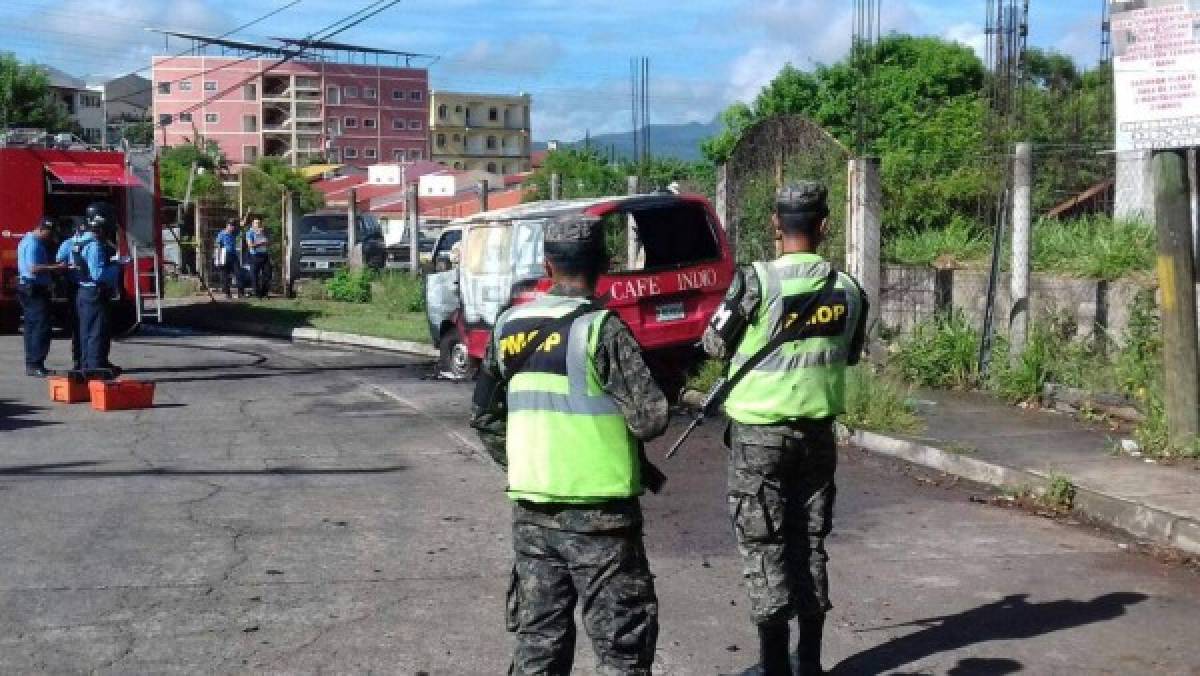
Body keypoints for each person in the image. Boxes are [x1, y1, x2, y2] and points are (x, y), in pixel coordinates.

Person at [471, 213, 670, 675]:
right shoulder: (603, 329)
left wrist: (524, 461)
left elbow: (483, 416)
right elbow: (651, 418)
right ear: (603, 263)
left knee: (538, 645)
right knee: (621, 650)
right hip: (603, 519)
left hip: (533, 512)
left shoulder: (507, 326)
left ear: (547, 265)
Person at [701, 182, 868, 676]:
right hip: (816, 436)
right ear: (824, 226)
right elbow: (851, 353)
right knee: (809, 542)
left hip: (758, 439)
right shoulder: (849, 288)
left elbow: (713, 344)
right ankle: (810, 664)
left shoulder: (755, 283)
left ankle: (774, 666)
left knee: (764, 545)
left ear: (776, 225)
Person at [75, 204, 120, 377]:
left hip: (83, 292)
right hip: (94, 293)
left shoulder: (79, 240)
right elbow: (98, 274)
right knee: (96, 333)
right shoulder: (95, 245)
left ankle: (87, 367)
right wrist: (118, 265)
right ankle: (94, 372)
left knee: (86, 333)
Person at [16, 218, 65, 377]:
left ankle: (32, 363)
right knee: (40, 328)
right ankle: (36, 364)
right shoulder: (34, 244)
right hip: (35, 289)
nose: (50, 238)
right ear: (43, 229)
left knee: (31, 327)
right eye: (50, 234)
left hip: (28, 288)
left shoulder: (26, 240)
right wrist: (56, 267)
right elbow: (33, 269)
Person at [55, 217, 89, 370]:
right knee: (77, 324)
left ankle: (89, 358)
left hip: (88, 287)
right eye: (80, 229)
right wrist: (68, 267)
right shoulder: (67, 244)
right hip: (75, 286)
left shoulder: (92, 243)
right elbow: (59, 264)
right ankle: (78, 359)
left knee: (89, 325)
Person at [214, 218, 245, 299]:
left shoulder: (234, 233)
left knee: (238, 273)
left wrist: (242, 225)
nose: (232, 227)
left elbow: (240, 228)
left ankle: (241, 292)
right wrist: (218, 258)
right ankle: (227, 293)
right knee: (225, 275)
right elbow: (218, 245)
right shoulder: (222, 234)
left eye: (233, 226)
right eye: (231, 225)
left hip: (233, 255)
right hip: (225, 255)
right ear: (227, 225)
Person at [245, 217, 270, 299]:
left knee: (268, 274)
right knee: (254, 275)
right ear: (253, 224)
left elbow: (268, 242)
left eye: (259, 223)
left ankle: (263, 292)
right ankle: (256, 293)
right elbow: (250, 245)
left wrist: (266, 241)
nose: (258, 224)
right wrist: (261, 243)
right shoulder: (250, 233)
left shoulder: (263, 232)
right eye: (256, 223)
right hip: (255, 255)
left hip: (264, 255)